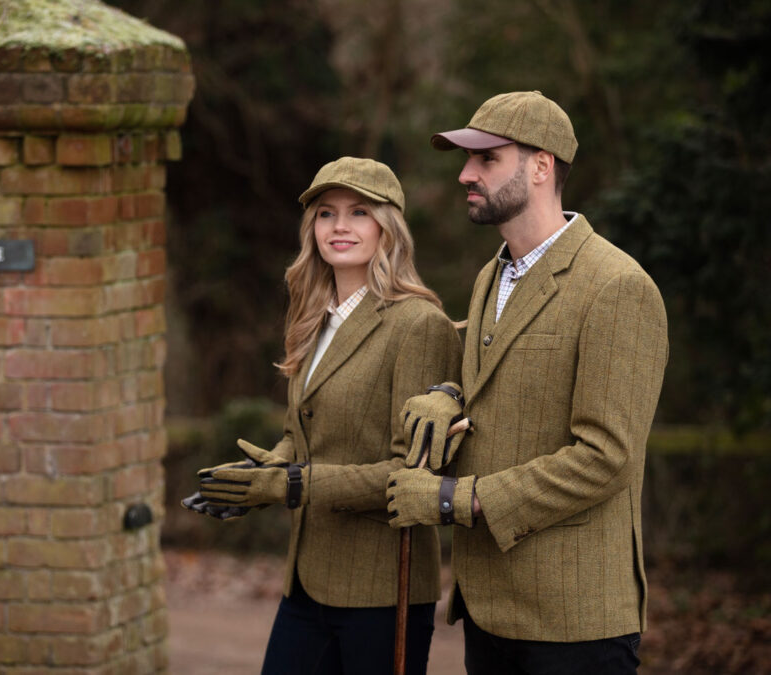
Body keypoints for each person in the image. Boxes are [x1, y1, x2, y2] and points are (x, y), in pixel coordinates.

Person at [385, 91, 669, 674]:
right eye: (469, 159)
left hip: (572, 622)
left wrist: (454, 499)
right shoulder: (491, 276)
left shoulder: (618, 287)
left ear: (541, 166)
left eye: (486, 158)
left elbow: (606, 457)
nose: (466, 174)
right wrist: (447, 394)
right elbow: (495, 379)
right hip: (489, 610)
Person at [184, 157, 462, 674]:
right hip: (306, 580)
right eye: (326, 213)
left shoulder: (419, 324)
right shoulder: (313, 316)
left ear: (388, 227)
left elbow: (413, 474)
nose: (339, 226)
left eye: (359, 212)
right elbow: (301, 434)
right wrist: (261, 475)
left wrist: (289, 485)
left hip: (382, 588)